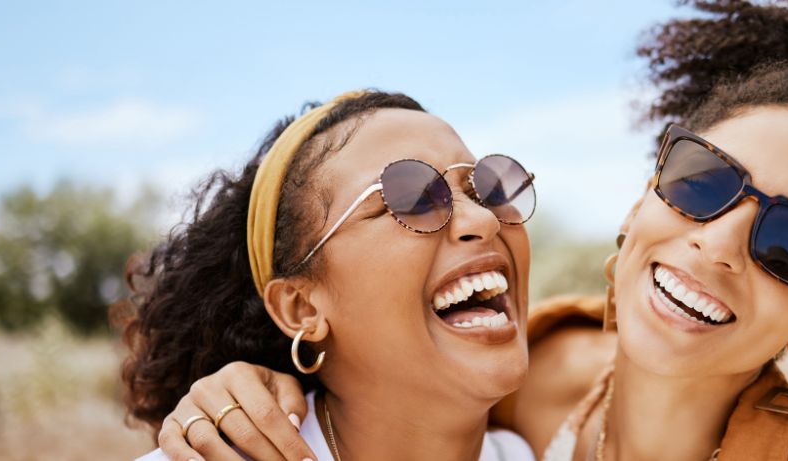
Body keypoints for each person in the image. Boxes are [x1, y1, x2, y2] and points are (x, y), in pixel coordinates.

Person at [153, 1, 788, 459]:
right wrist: (248, 382)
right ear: (643, 202)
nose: (719, 242)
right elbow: (384, 358)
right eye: (702, 182)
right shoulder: (532, 375)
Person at [120, 90, 539, 461]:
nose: (483, 218)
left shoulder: (533, 447)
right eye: (410, 198)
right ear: (301, 308)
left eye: (485, 189)